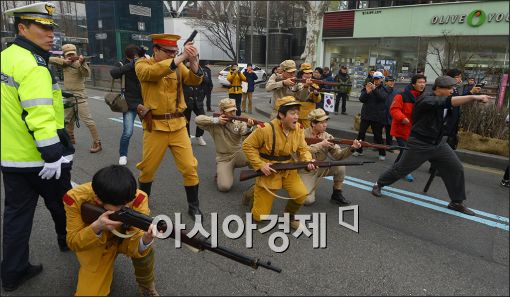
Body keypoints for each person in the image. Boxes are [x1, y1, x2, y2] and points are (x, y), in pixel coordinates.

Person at [1, 2, 75, 291]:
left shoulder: (5, 57)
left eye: (51, 28)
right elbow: (39, 112)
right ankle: (69, 242)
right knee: (64, 205)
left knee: (16, 218)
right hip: (41, 159)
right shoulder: (33, 64)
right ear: (22, 28)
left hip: (11, 157)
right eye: (42, 27)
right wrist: (53, 154)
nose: (50, 34)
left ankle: (12, 272)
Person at [371, 76, 494, 216]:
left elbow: (452, 103)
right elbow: (446, 102)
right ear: (439, 88)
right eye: (450, 88)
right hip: (420, 143)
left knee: (456, 168)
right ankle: (379, 184)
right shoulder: (426, 99)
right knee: (401, 169)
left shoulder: (449, 98)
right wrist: (473, 98)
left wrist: (472, 95)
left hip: (439, 143)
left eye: (453, 88)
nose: (453, 91)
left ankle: (456, 202)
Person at [135, 33, 204, 219]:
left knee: (190, 167)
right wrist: (181, 57)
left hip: (178, 125)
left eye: (175, 51)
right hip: (154, 126)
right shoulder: (142, 65)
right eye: (168, 51)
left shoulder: (178, 64)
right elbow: (155, 73)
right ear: (155, 50)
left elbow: (194, 80)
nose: (172, 55)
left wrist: (194, 60)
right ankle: (142, 203)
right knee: (147, 168)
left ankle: (194, 205)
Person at [64, 165, 158, 296]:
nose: (126, 208)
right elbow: (73, 242)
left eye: (128, 203)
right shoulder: (74, 198)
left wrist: (145, 240)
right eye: (120, 206)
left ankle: (146, 284)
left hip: (127, 240)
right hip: (98, 247)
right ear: (97, 200)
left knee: (146, 251)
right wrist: (97, 227)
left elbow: (138, 236)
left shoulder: (138, 197)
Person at [242, 96, 317, 229]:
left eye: (298, 113)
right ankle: (253, 191)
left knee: (301, 194)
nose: (296, 117)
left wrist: (308, 160)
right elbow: (248, 146)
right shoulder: (265, 129)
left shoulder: (299, 129)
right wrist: (260, 165)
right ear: (281, 115)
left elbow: (303, 149)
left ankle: (290, 216)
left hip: (288, 169)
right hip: (269, 170)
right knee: (259, 217)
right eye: (292, 113)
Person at [300, 109, 361, 205]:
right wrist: (321, 144)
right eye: (322, 122)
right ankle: (297, 182)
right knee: (307, 201)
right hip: (304, 169)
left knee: (340, 166)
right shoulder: (301, 134)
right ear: (313, 124)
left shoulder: (328, 136)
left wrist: (352, 148)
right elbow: (302, 151)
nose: (325, 125)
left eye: (326, 122)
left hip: (319, 167)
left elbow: (338, 155)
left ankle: (337, 194)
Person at [49, 43, 102, 153]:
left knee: (88, 120)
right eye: (68, 55)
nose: (70, 56)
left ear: (76, 54)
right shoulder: (63, 63)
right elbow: (49, 59)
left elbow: (87, 74)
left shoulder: (79, 63)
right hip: (68, 95)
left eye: (72, 54)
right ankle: (71, 138)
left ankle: (97, 142)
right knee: (68, 120)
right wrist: (64, 61)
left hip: (80, 96)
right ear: (64, 55)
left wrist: (82, 63)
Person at [195, 98, 255, 192]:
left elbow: (244, 132)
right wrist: (216, 120)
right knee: (224, 187)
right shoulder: (214, 123)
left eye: (234, 110)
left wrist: (248, 126)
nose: (233, 113)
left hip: (239, 154)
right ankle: (221, 173)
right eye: (230, 111)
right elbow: (197, 120)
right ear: (222, 111)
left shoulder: (239, 122)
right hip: (224, 158)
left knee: (256, 155)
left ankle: (261, 177)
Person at [110, 44, 144, 166]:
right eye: (134, 56)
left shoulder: (144, 61)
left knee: (150, 131)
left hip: (144, 101)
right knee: (128, 132)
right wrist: (131, 64)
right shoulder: (122, 63)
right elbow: (113, 73)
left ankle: (150, 155)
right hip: (129, 103)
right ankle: (123, 155)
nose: (136, 58)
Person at [389, 74, 427, 182]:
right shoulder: (401, 95)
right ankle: (400, 171)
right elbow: (394, 109)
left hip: (414, 131)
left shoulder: (423, 97)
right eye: (420, 82)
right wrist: (402, 118)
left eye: (424, 82)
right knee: (405, 151)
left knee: (407, 152)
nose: (422, 85)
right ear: (413, 84)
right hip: (401, 129)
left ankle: (396, 169)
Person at [354, 71, 389, 161]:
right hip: (366, 114)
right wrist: (367, 92)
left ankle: (382, 152)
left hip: (377, 116)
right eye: (375, 79)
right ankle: (359, 150)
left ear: (382, 79)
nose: (376, 80)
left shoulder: (384, 89)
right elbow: (361, 99)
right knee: (361, 133)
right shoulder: (367, 87)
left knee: (378, 135)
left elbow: (382, 98)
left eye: (378, 79)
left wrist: (374, 89)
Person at [183, 61, 207, 146]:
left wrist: (196, 67)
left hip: (197, 99)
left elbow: (206, 82)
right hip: (186, 100)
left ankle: (199, 135)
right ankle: (187, 137)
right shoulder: (182, 70)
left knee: (203, 119)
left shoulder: (199, 70)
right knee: (186, 121)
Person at [295, 63, 321, 128]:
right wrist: (306, 86)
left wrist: (316, 94)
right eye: (306, 73)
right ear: (301, 74)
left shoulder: (314, 84)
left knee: (308, 133)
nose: (309, 75)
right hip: (298, 111)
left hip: (309, 114)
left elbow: (317, 100)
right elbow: (301, 97)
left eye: (310, 73)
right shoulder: (297, 83)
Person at [382, 76, 397, 148]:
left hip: (390, 114)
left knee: (389, 132)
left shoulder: (396, 92)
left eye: (393, 81)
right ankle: (378, 146)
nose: (392, 82)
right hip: (382, 113)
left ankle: (389, 146)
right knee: (378, 131)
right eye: (390, 81)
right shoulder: (382, 90)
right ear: (386, 82)